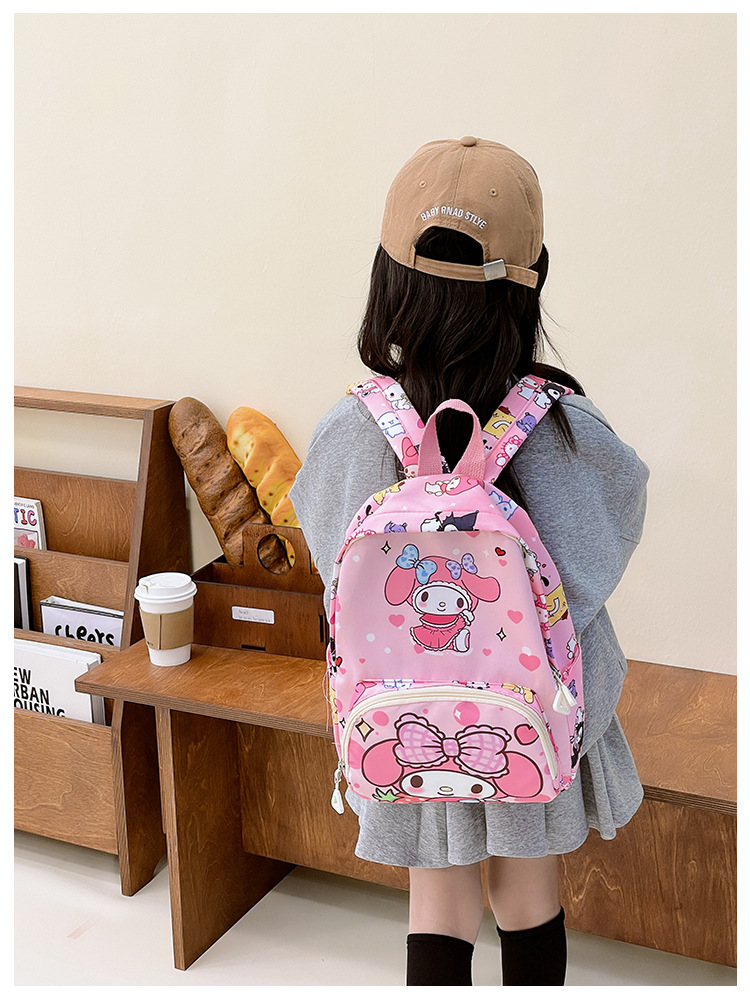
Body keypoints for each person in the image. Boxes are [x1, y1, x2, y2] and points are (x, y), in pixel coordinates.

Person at [289, 136, 648, 987]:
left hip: (403, 716)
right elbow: (601, 550)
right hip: (529, 717)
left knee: (437, 903)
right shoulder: (563, 430)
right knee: (529, 894)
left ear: (387, 278)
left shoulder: (352, 429)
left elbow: (334, 565)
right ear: (535, 279)